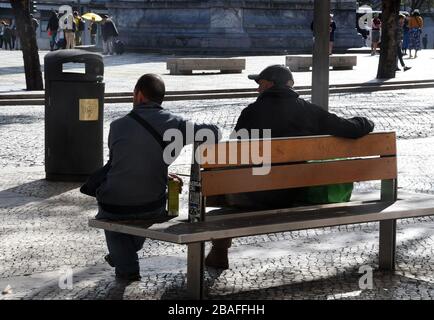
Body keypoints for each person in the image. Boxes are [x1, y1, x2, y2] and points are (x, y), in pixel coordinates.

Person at [204, 65, 375, 269]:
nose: (257, 89)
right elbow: (351, 128)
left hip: (252, 195)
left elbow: (236, 154)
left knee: (225, 179)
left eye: (259, 84)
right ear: (289, 85)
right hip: (292, 194)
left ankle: (219, 249)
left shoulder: (251, 112)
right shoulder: (308, 111)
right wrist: (365, 121)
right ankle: (218, 250)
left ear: (268, 84)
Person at [95, 74, 221, 281]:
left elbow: (121, 163)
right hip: (151, 204)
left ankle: (125, 265)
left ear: (140, 95)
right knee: (142, 209)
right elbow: (213, 133)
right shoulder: (176, 125)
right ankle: (122, 256)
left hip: (114, 204)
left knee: (113, 213)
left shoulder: (117, 126)